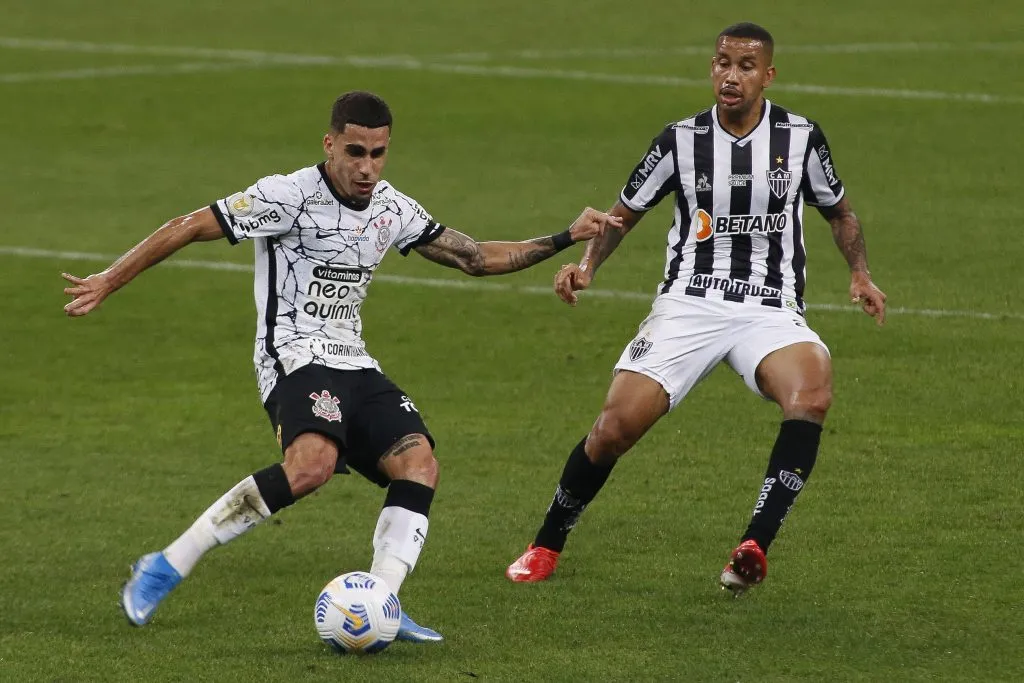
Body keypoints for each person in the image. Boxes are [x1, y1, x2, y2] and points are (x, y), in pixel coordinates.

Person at [62, 90, 621, 638]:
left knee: (419, 465)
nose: (367, 167)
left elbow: (474, 257)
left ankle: (381, 601)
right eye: (355, 152)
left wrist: (565, 236)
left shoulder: (392, 208)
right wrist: (111, 279)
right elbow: (188, 225)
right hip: (294, 355)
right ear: (330, 144)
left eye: (378, 153)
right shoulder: (286, 196)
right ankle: (165, 564)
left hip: (354, 362)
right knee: (311, 467)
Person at [506, 23, 887, 595]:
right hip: (689, 303)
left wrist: (859, 272)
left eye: (746, 66)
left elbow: (840, 212)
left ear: (768, 75)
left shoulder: (800, 137)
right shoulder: (679, 141)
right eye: (722, 63)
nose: (730, 76)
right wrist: (586, 266)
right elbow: (621, 215)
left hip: (769, 307)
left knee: (812, 393)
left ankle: (753, 546)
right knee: (613, 429)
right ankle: (546, 542)